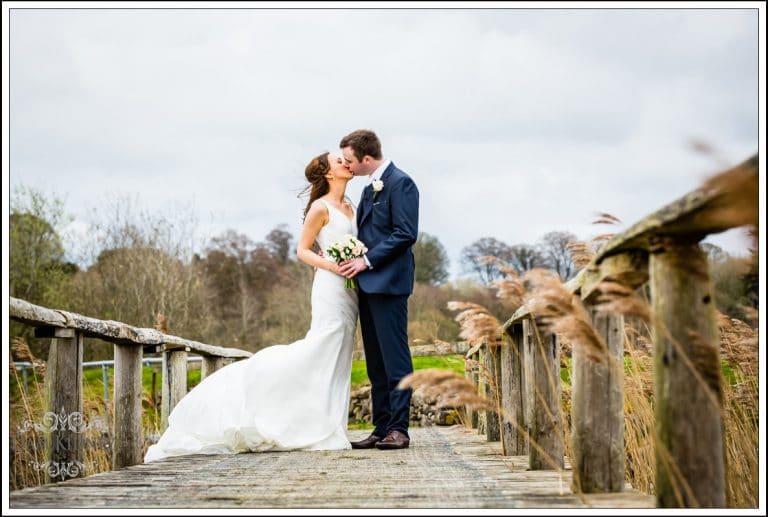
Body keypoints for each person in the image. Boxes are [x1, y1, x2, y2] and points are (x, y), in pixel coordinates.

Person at [144, 152, 358, 462]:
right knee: (322, 344)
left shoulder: (351, 205)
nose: (346, 163)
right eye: (339, 161)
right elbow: (302, 250)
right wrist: (331, 265)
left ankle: (330, 424)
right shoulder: (320, 208)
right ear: (327, 174)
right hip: (330, 285)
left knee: (341, 349)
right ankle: (268, 391)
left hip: (351, 289)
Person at [338, 129, 419, 450]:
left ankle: (399, 429)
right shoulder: (370, 187)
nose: (347, 165)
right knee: (375, 362)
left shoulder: (401, 183)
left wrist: (366, 261)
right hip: (367, 286)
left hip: (390, 284)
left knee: (395, 360)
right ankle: (381, 426)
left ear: (366, 159)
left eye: (349, 160)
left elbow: (405, 233)